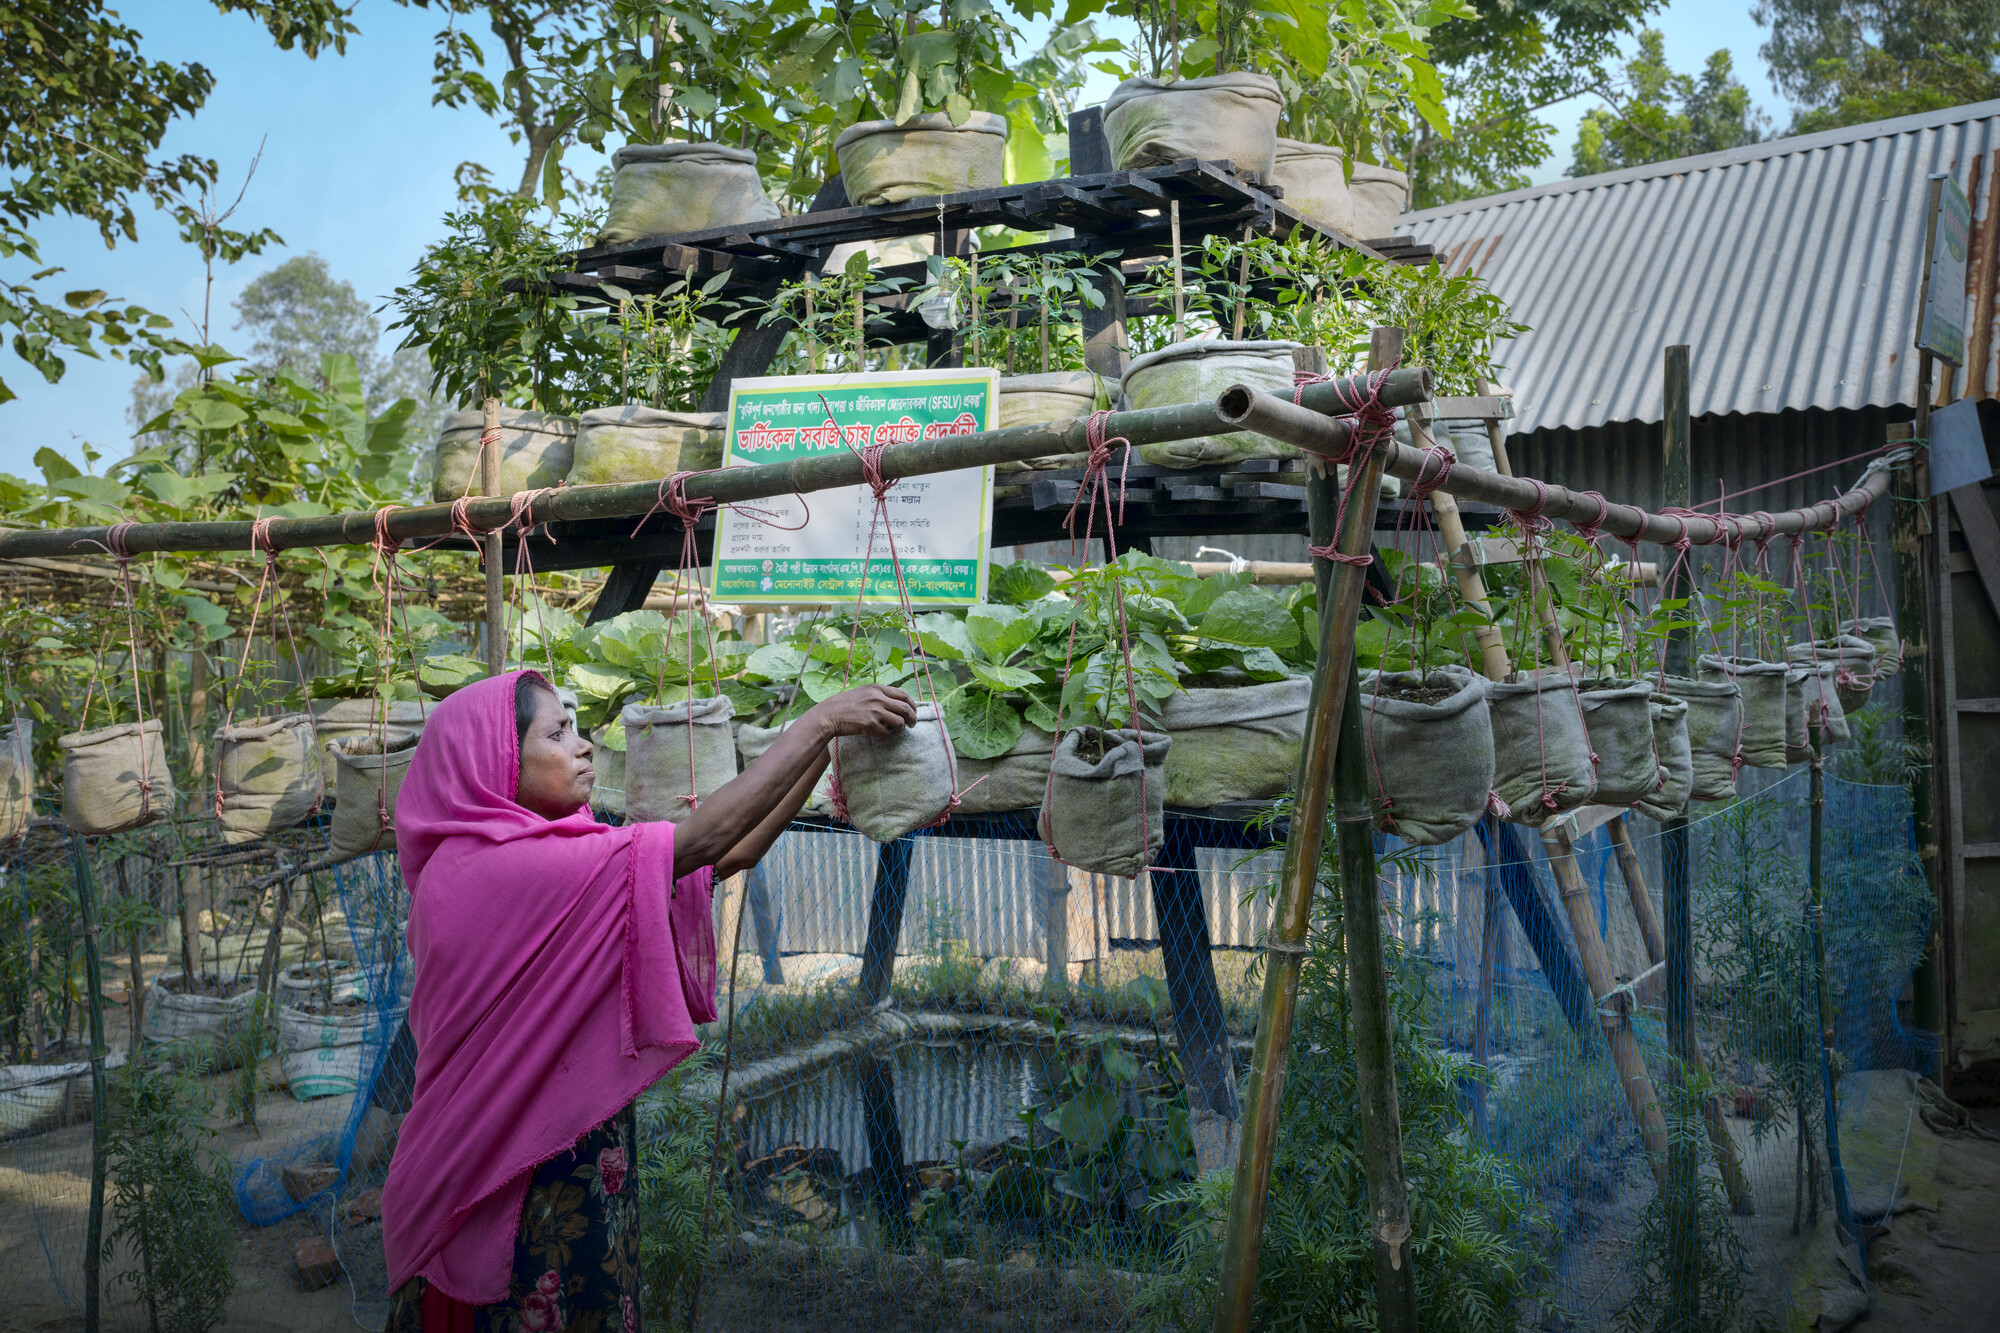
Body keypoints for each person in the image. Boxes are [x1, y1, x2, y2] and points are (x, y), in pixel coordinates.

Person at [381, 668, 915, 1332]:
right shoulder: (491, 869)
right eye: (558, 733)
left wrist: (820, 752)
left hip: (555, 1155)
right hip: (504, 1182)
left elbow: (732, 853)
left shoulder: (532, 857)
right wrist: (818, 722)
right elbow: (701, 841)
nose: (582, 748)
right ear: (499, 759)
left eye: (576, 728)